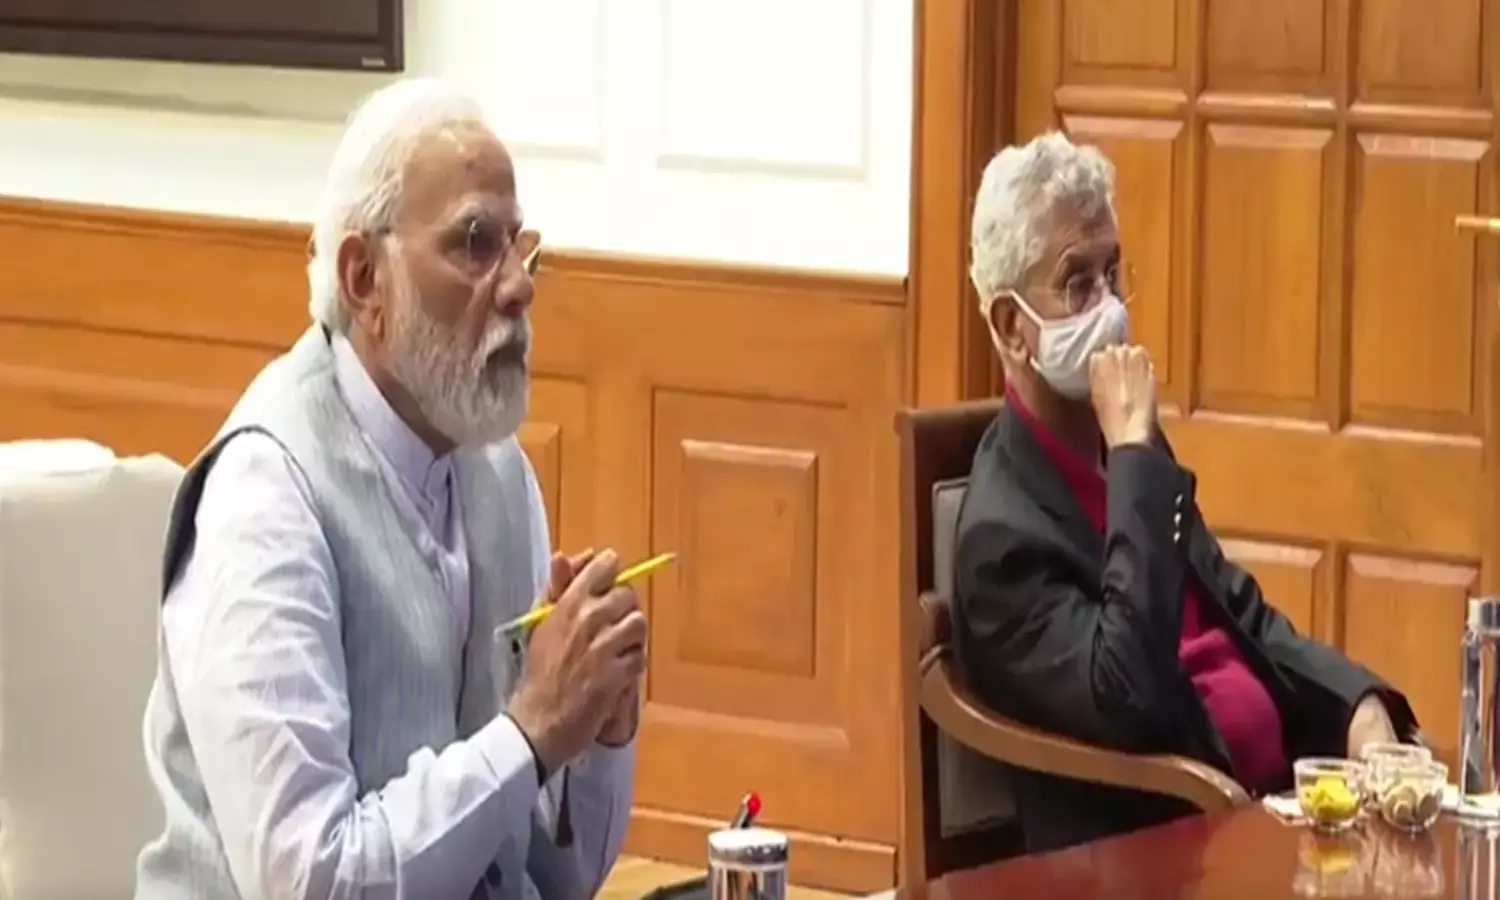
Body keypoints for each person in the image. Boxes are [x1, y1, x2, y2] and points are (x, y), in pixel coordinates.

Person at [135, 78, 644, 899]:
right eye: (475, 243)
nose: (518, 286)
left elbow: (553, 881)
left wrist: (593, 736)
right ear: (365, 277)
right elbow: (309, 880)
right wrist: (532, 729)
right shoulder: (265, 498)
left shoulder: (497, 471)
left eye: (522, 249)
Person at [953, 131, 1419, 853]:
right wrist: (1136, 457)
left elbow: (1236, 612)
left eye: (1113, 273)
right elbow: (1128, 693)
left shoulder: (1124, 453)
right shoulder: (1002, 542)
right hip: (1158, 850)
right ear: (1013, 327)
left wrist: (1357, 708)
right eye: (1077, 283)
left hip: (1262, 813)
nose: (1110, 306)